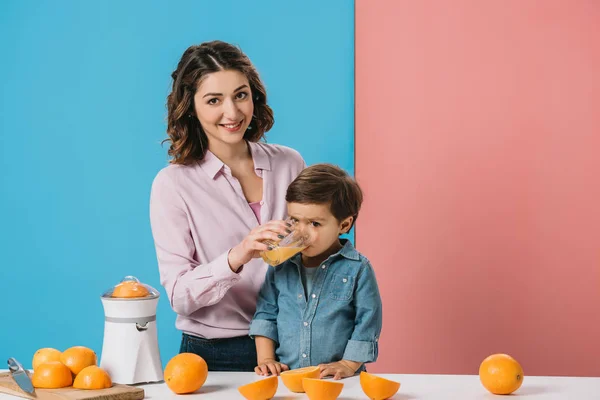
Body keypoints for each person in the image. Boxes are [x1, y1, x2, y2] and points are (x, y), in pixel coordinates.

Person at [149, 40, 306, 372]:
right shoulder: (173, 185)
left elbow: (309, 253)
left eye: (240, 95)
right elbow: (179, 296)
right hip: (215, 354)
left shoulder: (290, 164)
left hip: (294, 345)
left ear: (254, 95)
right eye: (213, 100)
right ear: (190, 106)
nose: (232, 113)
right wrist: (238, 255)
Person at [249, 164, 383, 379]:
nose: (301, 232)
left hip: (339, 379)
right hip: (288, 377)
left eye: (314, 223)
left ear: (344, 224)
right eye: (294, 220)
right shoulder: (281, 265)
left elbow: (367, 321)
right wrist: (266, 360)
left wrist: (348, 365)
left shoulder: (358, 268)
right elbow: (267, 313)